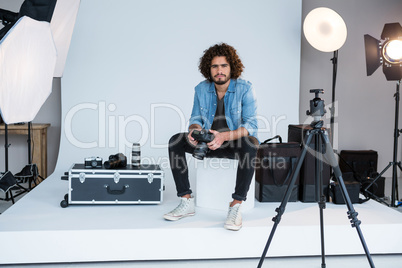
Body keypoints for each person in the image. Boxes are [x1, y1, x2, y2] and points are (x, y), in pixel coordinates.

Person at [164, 43, 259, 231]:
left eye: (224, 65)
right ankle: (186, 201)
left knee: (251, 144)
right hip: (207, 143)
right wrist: (194, 131)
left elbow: (251, 125)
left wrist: (224, 136)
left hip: (232, 143)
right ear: (209, 69)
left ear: (232, 67)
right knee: (176, 140)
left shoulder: (245, 89)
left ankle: (236, 205)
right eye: (214, 66)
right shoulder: (201, 89)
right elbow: (195, 118)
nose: (219, 71)